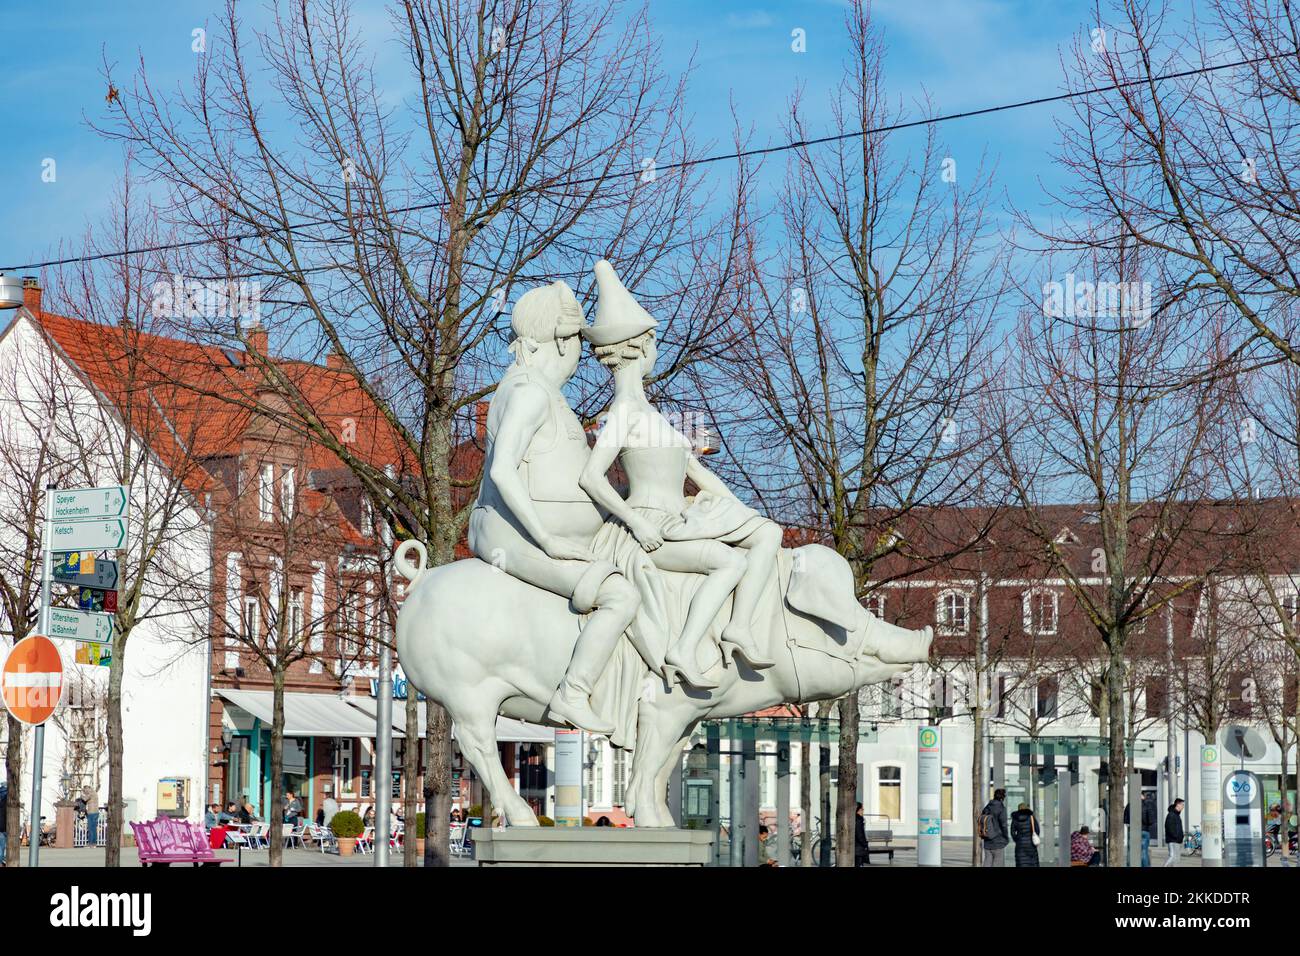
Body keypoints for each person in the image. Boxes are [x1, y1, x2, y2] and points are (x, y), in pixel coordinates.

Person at [579, 260, 784, 688]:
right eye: (653, 342)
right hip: (649, 526)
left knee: (768, 533)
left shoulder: (654, 414)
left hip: (681, 518)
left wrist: (739, 510)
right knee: (728, 562)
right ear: (641, 347)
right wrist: (635, 523)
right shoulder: (623, 412)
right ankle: (683, 649)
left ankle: (739, 627)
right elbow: (592, 478)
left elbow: (696, 471)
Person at [467, 278, 642, 734]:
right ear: (563, 342)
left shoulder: (532, 387)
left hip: (543, 535)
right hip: (518, 540)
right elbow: (503, 470)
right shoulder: (528, 391)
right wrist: (548, 539)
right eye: (579, 343)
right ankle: (575, 691)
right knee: (620, 595)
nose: (582, 355)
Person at [1123, 792, 1157, 867]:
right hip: (1144, 830)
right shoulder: (1146, 805)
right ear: (1142, 796)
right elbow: (1151, 820)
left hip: (1132, 831)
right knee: (1143, 851)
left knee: (1131, 851)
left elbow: (1125, 819)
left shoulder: (1130, 805)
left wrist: (1130, 824)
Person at [979, 788, 1010, 866]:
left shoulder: (987, 807)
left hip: (987, 838)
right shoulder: (1001, 808)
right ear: (1002, 797)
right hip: (998, 840)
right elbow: (1004, 825)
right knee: (997, 862)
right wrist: (1006, 837)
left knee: (987, 861)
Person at [1010, 802, 1040, 867]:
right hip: (1031, 845)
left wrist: (1017, 840)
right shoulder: (1031, 817)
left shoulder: (1015, 819)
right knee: (1032, 863)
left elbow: (1012, 832)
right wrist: (1033, 837)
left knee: (1021, 863)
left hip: (1020, 845)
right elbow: (1037, 829)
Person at [1164, 798, 1185, 867]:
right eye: (1182, 805)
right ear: (1177, 805)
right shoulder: (1171, 815)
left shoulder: (1176, 815)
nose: (1183, 807)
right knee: (1172, 856)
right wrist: (1176, 836)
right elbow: (1169, 827)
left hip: (1177, 840)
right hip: (1173, 840)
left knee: (1176, 859)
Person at [854, 803, 870, 867]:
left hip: (856, 847)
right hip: (858, 847)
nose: (863, 811)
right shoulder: (858, 820)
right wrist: (865, 844)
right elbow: (859, 834)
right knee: (858, 864)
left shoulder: (854, 819)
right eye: (862, 809)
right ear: (858, 810)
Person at [0, 782, 8, 866]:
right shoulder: (9, 797)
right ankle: (2, 861)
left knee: (1, 846)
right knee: (3, 846)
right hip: (6, 826)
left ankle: (2, 861)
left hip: (1, 826)